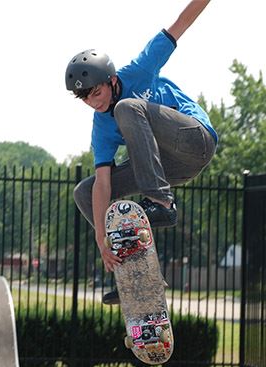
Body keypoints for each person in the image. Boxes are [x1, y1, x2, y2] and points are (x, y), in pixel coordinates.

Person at [67, 0, 217, 304]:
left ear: (111, 79)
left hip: (194, 140)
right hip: (167, 168)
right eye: (86, 99)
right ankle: (136, 271)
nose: (95, 103)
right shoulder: (101, 127)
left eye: (97, 92)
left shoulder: (141, 68)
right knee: (85, 192)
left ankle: (161, 201)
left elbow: (180, 24)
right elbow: (104, 184)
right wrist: (102, 238)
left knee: (126, 108)